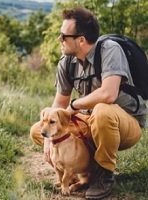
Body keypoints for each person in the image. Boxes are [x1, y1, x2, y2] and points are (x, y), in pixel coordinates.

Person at [30, 6, 147, 200]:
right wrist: (49, 139)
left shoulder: (110, 50)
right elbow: (59, 104)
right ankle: (83, 170)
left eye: (63, 36)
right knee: (39, 130)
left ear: (81, 39)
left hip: (125, 124)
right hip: (91, 122)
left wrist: (75, 105)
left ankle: (104, 175)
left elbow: (109, 94)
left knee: (102, 111)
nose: (59, 39)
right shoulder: (67, 62)